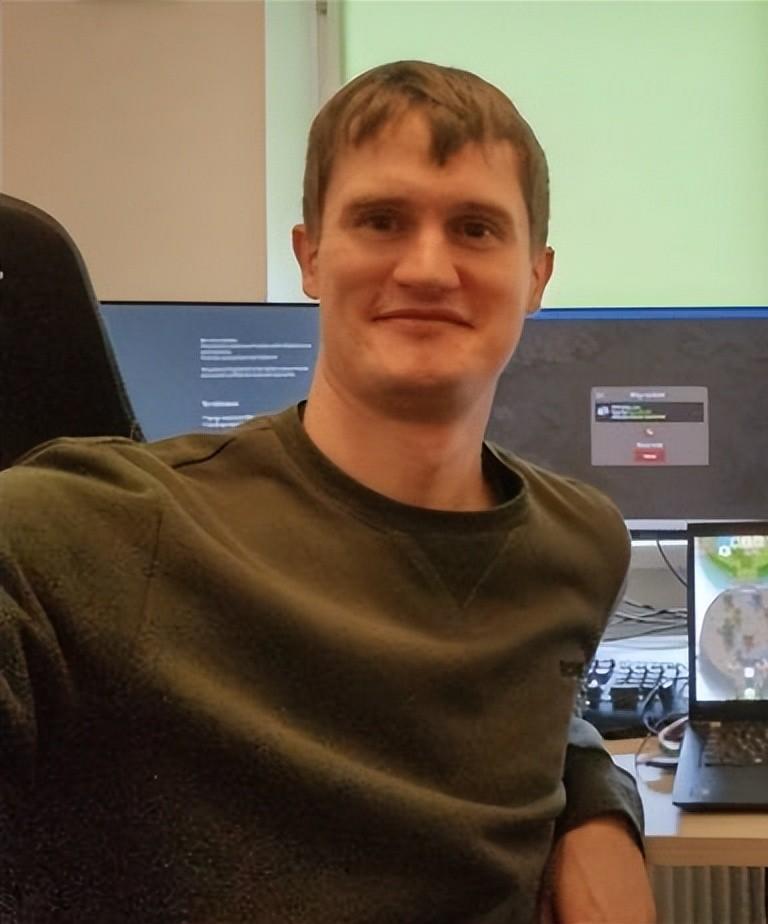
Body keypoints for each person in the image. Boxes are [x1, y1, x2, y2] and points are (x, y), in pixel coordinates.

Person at [0, 60, 655, 923]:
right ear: (310, 256)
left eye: (475, 228)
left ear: (537, 275)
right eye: (381, 221)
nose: (428, 268)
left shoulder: (580, 544)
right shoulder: (106, 526)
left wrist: (598, 805)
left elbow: (526, 712)